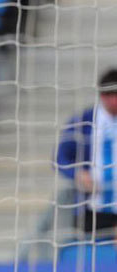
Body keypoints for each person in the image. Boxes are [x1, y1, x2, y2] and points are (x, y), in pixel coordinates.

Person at [56, 68, 117, 234]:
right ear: (104, 96)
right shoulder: (83, 122)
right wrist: (78, 173)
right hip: (93, 207)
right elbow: (60, 158)